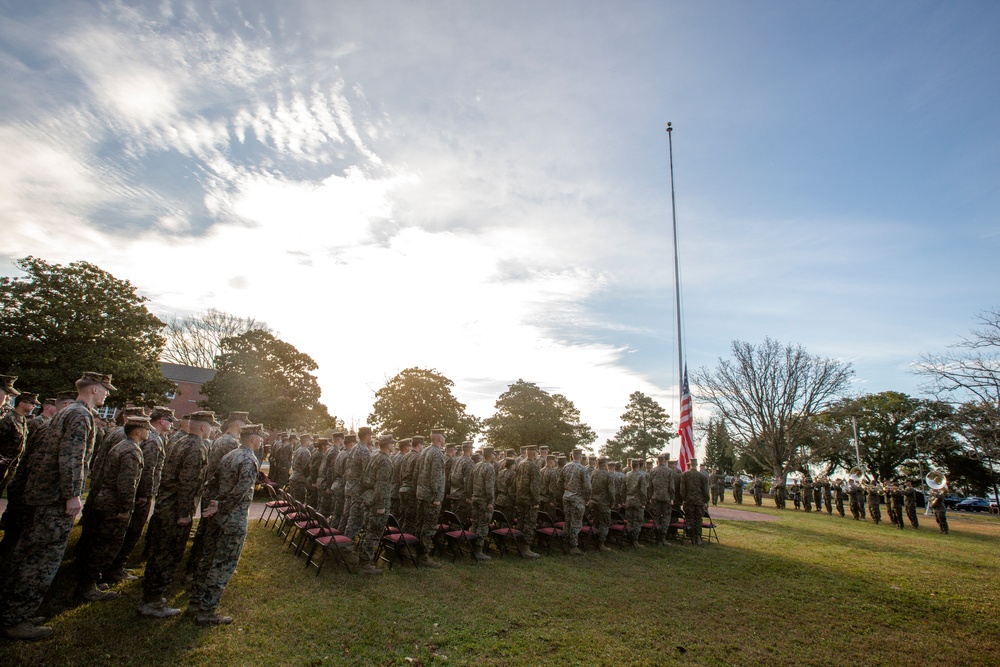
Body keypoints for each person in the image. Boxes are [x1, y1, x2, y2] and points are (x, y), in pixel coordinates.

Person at [0, 372, 115, 641]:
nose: (108, 394)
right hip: (54, 500)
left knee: (27, 553)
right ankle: (14, 618)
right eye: (105, 389)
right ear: (94, 390)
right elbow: (71, 456)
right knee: (40, 559)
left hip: (44, 495)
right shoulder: (80, 414)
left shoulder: (68, 411)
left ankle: (14, 610)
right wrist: (73, 494)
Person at [139, 411, 217, 618]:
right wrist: (185, 513)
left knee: (159, 551)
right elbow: (188, 483)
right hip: (175, 509)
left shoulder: (179, 440)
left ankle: (152, 594)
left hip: (166, 504)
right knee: (168, 554)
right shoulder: (196, 446)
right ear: (203, 427)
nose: (212, 430)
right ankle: (152, 601)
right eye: (211, 426)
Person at [187, 423, 265, 624]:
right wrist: (220, 505)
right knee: (224, 563)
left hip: (218, 516)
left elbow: (212, 481)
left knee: (208, 558)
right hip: (233, 518)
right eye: (260, 437)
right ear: (253, 439)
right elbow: (241, 491)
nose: (262, 441)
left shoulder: (229, 455)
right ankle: (207, 611)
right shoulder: (249, 460)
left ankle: (194, 602)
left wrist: (213, 503)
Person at [75, 415, 151, 601]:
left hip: (106, 500)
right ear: (138, 431)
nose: (149, 432)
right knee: (104, 546)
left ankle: (91, 581)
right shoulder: (132, 451)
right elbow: (126, 483)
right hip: (114, 504)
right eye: (147, 429)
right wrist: (126, 508)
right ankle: (87, 587)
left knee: (99, 543)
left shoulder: (123, 446)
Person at [107, 406, 174, 582]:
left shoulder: (154, 438)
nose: (172, 425)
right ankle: (115, 568)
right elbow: (148, 470)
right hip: (142, 494)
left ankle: (116, 565)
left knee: (130, 531)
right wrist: (145, 494)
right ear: (162, 421)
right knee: (132, 530)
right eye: (170, 421)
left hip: (141, 492)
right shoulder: (153, 440)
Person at [355, 434, 394, 575]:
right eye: (392, 443)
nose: (394, 445)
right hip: (377, 502)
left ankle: (363, 560)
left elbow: (365, 479)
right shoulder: (384, 461)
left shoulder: (375, 456)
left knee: (369, 531)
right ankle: (364, 564)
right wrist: (380, 506)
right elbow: (381, 486)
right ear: (388, 445)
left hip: (369, 498)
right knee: (374, 532)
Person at [414, 429, 446, 568]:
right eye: (443, 436)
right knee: (428, 526)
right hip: (431, 496)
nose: (445, 438)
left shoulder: (425, 451)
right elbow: (436, 478)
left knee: (420, 525)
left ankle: (417, 552)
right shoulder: (437, 454)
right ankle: (424, 557)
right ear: (439, 438)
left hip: (422, 494)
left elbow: (417, 473)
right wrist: (437, 496)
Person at [0, 392, 38, 497]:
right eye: (31, 403)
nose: (33, 406)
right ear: (21, 403)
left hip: (11, 464)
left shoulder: (23, 419)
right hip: (3, 462)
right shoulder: (8, 418)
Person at [467, 447, 496, 561]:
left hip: (475, 498)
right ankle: (478, 550)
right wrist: (490, 501)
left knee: (475, 523)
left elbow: (470, 482)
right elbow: (489, 487)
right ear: (490, 455)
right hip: (484, 500)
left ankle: (472, 547)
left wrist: (470, 495)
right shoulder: (489, 468)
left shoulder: (477, 465)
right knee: (483, 524)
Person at [513, 445, 542, 558]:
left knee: (521, 522)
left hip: (520, 497)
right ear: (534, 454)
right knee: (529, 523)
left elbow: (515, 481)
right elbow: (534, 486)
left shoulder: (520, 464)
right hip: (529, 500)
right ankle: (526, 549)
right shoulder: (533, 466)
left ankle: (519, 546)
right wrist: (536, 501)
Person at [562, 449, 591, 556]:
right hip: (577, 499)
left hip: (567, 497)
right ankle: (573, 546)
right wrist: (587, 499)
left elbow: (559, 482)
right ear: (580, 457)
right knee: (576, 522)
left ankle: (565, 542)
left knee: (568, 520)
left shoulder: (566, 467)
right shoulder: (582, 469)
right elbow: (587, 487)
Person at [680, 458, 710, 545]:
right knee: (698, 519)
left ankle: (691, 536)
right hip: (699, 501)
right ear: (696, 465)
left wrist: (684, 499)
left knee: (690, 519)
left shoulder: (685, 475)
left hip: (689, 501)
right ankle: (698, 537)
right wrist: (705, 500)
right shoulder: (702, 476)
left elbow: (682, 490)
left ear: (690, 464)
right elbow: (705, 490)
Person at [590, 458, 616, 551]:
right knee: (604, 523)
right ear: (605, 464)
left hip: (594, 501)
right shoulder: (608, 475)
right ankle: (601, 543)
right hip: (603, 503)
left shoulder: (593, 473)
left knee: (596, 521)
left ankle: (594, 540)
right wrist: (612, 502)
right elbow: (611, 491)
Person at [649, 454, 675, 545]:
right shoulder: (669, 471)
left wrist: (650, 497)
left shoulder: (653, 471)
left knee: (656, 517)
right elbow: (671, 487)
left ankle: (657, 537)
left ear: (657, 460)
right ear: (664, 460)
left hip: (655, 497)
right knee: (666, 517)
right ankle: (662, 538)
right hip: (666, 497)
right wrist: (672, 498)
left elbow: (650, 486)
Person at [624, 458, 647, 546]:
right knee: (637, 521)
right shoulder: (641, 476)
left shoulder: (627, 475)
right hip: (638, 501)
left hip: (629, 500)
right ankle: (634, 540)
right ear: (638, 465)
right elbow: (643, 491)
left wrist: (624, 500)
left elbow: (624, 489)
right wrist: (643, 502)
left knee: (629, 520)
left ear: (631, 465)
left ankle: (628, 538)